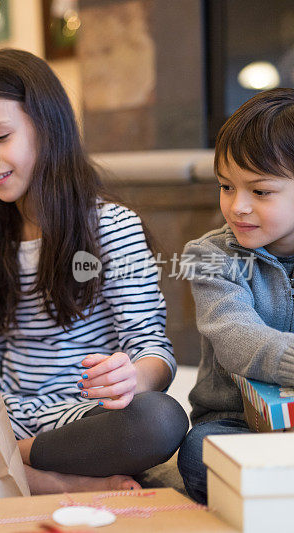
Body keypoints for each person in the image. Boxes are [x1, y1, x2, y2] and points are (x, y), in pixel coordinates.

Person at [0, 48, 189, 493]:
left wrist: (131, 377)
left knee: (159, 420)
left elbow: (152, 347)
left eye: (0, 136)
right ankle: (52, 477)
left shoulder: (114, 227)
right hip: (6, 409)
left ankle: (13, 460)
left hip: (80, 414)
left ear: (49, 127)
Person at [176, 88, 294, 504]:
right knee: (200, 453)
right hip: (235, 421)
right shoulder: (209, 256)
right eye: (227, 187)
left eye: (260, 192)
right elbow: (234, 335)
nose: (238, 206)